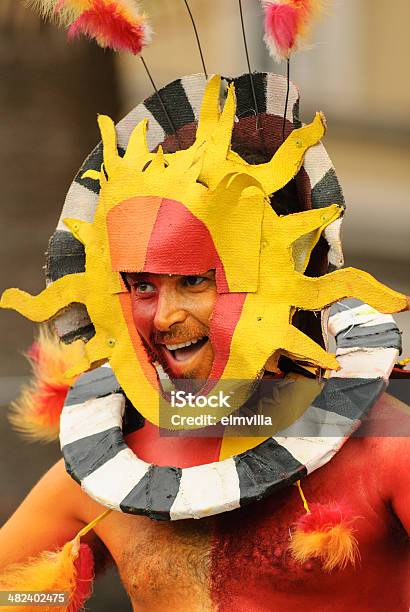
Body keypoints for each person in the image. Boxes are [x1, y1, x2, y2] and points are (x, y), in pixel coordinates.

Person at [0, 73, 409, 611]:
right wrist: (41, 600)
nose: (165, 316)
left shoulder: (388, 451)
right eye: (142, 286)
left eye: (193, 281)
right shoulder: (102, 476)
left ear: (271, 279)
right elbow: (16, 595)